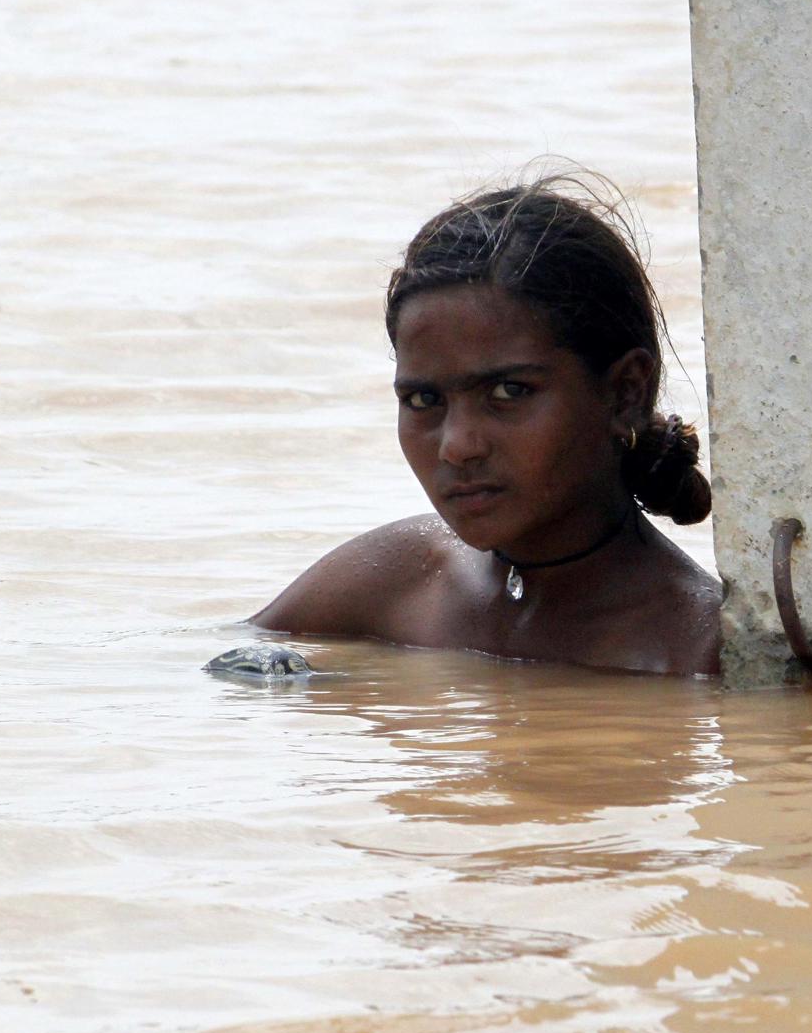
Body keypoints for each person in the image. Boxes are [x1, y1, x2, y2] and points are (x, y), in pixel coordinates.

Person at [248, 174, 722, 677]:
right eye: (424, 399)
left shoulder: (700, 652)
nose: (457, 447)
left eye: (508, 393)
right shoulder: (394, 581)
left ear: (625, 392)